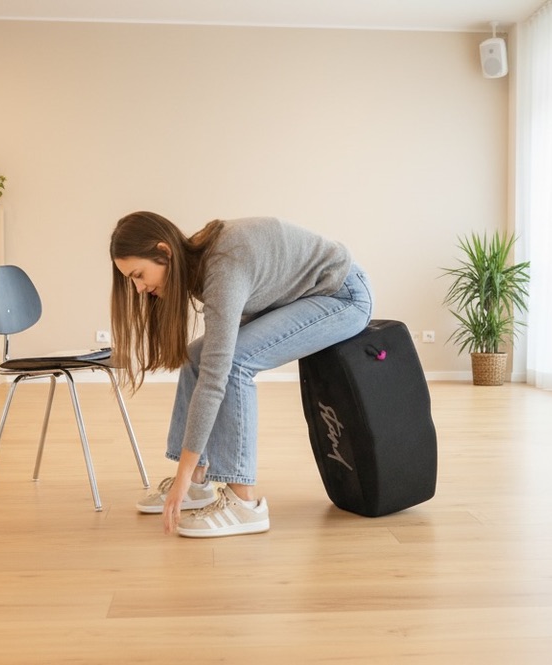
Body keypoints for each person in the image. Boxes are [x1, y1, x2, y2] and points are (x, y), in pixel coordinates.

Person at [109, 212, 373, 538]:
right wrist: (186, 476)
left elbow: (216, 378)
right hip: (304, 297)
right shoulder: (201, 266)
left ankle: (243, 504)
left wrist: (180, 473)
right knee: (195, 358)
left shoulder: (223, 268)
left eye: (138, 275)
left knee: (233, 363)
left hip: (341, 296)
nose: (138, 289)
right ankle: (197, 484)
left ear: (163, 252)